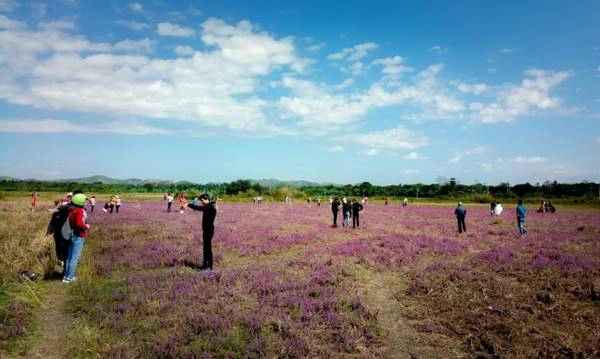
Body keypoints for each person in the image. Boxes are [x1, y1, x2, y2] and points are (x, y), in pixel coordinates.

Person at [63, 193, 90, 283]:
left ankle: (66, 276)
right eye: (85, 201)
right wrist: (86, 226)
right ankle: (70, 277)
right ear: (81, 201)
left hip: (71, 234)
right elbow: (79, 224)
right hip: (78, 235)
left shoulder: (72, 209)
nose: (86, 202)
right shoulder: (79, 210)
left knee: (69, 257)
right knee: (75, 257)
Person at [187, 194, 217, 271]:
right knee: (205, 248)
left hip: (208, 231)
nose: (201, 202)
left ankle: (209, 267)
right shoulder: (209, 206)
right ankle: (204, 265)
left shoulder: (209, 207)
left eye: (202, 201)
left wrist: (188, 204)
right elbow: (200, 207)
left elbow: (198, 208)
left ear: (205, 199)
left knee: (208, 249)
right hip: (207, 230)